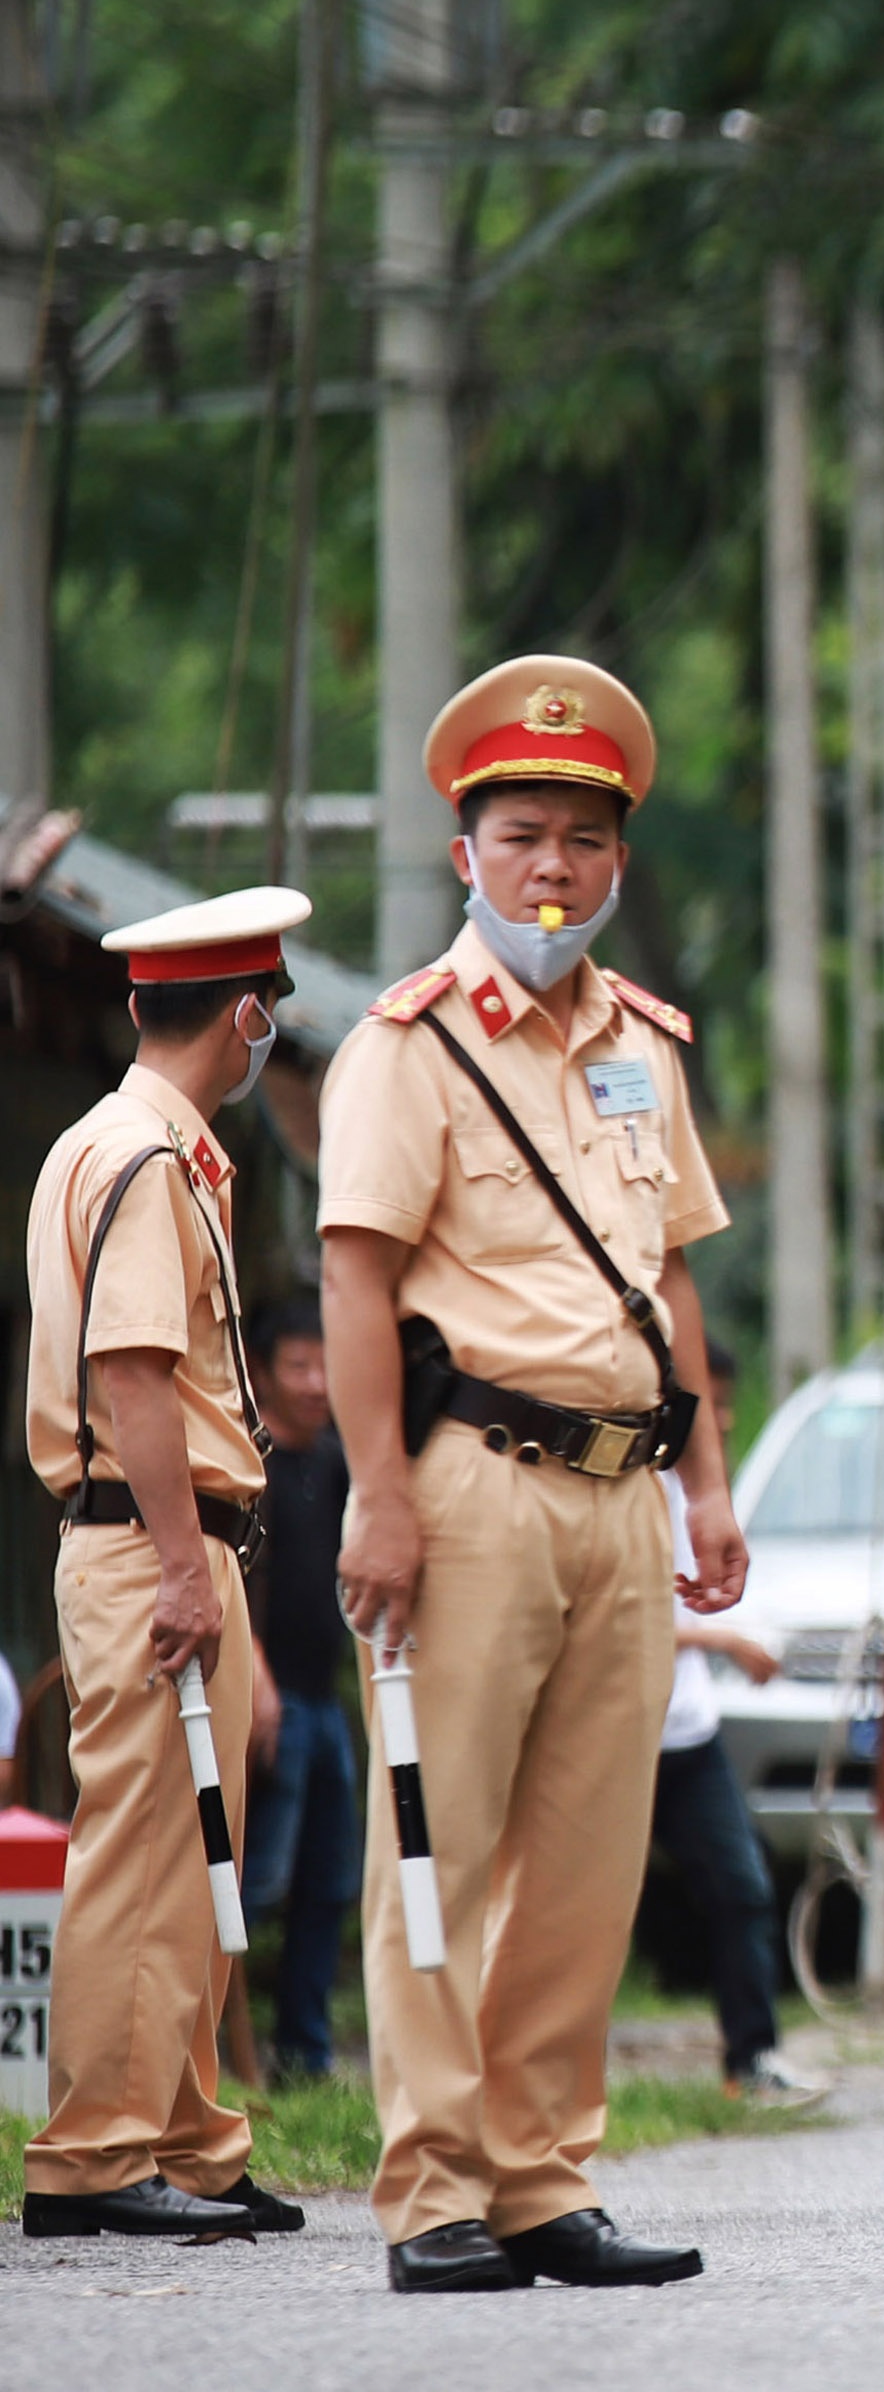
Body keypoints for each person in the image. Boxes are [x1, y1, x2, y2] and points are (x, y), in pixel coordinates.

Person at [319, 655, 743, 2293]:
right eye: (520, 835)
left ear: (618, 861)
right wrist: (376, 1491)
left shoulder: (644, 1043)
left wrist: (707, 1484)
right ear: (463, 855)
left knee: (584, 1857)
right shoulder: (403, 1051)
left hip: (626, 1494)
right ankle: (431, 2185)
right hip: (470, 1481)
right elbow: (358, 1280)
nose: (550, 866)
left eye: (580, 838)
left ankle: (544, 2174)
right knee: (436, 1836)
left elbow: (673, 1279)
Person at [17, 885, 316, 2240]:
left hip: (170, 1539)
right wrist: (189, 1570)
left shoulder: (136, 1141)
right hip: (153, 1542)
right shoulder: (144, 1157)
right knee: (144, 1851)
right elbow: (135, 1375)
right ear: (246, 1015)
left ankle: (187, 2139)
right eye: (272, 1014)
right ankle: (92, 2157)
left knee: (195, 1845)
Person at [654, 1340, 819, 2109]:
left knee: (742, 1887)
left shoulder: (707, 1499)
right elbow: (616, 1615)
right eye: (703, 1405)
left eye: (723, 1406)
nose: (716, 1419)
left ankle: (750, 2059)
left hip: (687, 1727)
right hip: (616, 1729)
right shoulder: (633, 1483)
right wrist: (725, 1640)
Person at [241, 1293, 365, 2083]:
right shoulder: (248, 1464)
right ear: (261, 1371)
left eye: (325, 1363)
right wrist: (255, 1681)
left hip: (326, 1697)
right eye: (298, 1364)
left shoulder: (337, 1461)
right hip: (269, 1699)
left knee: (331, 1882)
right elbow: (237, 1584)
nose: (316, 1382)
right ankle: (215, 2048)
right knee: (257, 1883)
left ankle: (304, 2050)